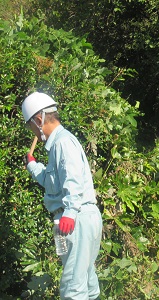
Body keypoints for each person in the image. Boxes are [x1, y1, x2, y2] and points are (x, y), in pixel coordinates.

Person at [22, 92, 103, 300]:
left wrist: (69, 211)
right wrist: (32, 165)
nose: (31, 130)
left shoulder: (62, 142)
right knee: (85, 280)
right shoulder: (58, 144)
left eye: (30, 125)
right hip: (82, 217)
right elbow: (55, 184)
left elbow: (72, 179)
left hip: (77, 220)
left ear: (38, 119)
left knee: (73, 289)